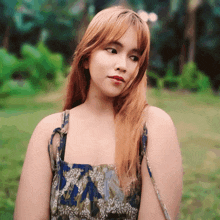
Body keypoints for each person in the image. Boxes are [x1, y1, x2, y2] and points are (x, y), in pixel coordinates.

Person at [14, 6, 183, 220]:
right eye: (112, 50)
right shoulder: (52, 133)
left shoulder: (152, 127)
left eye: (134, 57)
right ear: (86, 58)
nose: (123, 65)